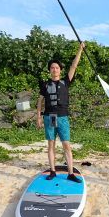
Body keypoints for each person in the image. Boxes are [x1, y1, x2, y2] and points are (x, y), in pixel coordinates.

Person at [36, 43, 85, 183]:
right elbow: (40, 101)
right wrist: (38, 117)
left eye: (57, 68)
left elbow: (74, 66)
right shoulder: (44, 84)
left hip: (63, 117)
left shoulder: (65, 82)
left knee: (66, 145)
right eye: (52, 68)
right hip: (50, 117)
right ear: (50, 70)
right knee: (51, 144)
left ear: (60, 70)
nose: (54, 69)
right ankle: (52, 171)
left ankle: (70, 172)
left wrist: (80, 49)